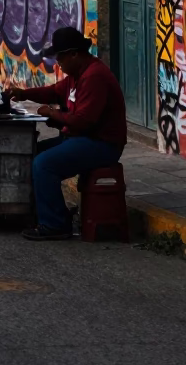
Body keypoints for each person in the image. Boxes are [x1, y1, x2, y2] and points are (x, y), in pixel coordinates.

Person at [7, 25, 127, 241]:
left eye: (60, 58)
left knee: (44, 164)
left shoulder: (94, 76)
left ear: (74, 54)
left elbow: (83, 121)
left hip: (102, 144)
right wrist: (24, 94)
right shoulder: (76, 74)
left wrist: (52, 113)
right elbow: (53, 91)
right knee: (31, 152)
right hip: (81, 138)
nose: (58, 63)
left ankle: (55, 224)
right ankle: (40, 212)